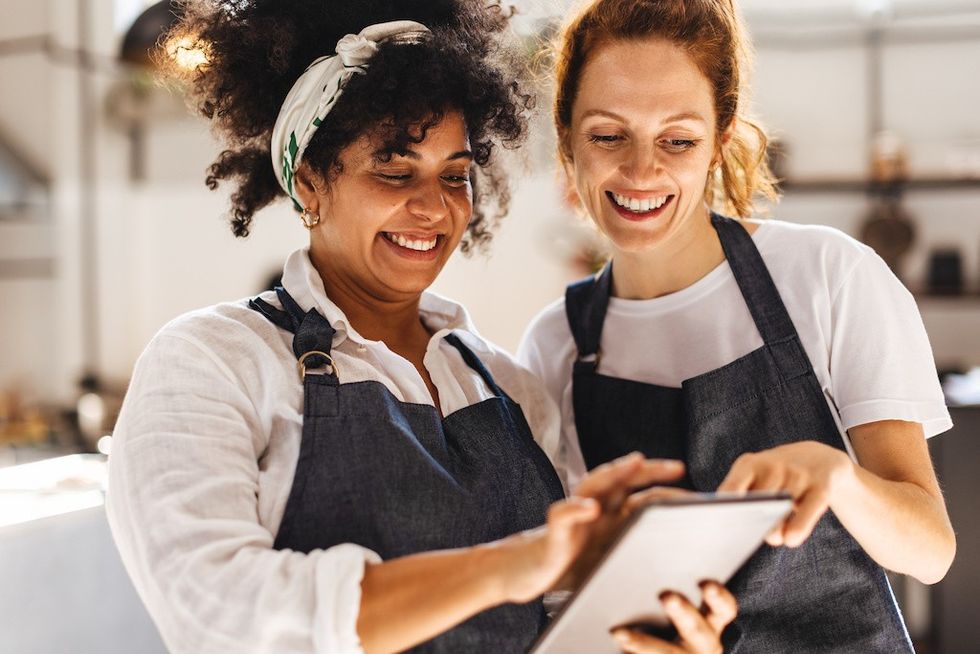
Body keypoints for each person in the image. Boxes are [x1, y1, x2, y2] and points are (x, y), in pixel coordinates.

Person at [106, 1, 737, 653]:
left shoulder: (509, 387)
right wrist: (512, 564)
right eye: (394, 170)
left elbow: (558, 620)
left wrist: (647, 626)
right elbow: (222, 612)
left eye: (456, 176)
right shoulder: (213, 361)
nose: (433, 207)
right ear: (309, 182)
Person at [519, 0, 956, 651]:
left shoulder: (829, 276)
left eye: (679, 140)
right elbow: (571, 596)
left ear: (721, 140)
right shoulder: (556, 347)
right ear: (567, 139)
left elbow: (929, 550)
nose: (643, 171)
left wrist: (838, 475)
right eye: (609, 136)